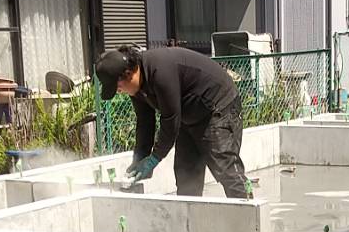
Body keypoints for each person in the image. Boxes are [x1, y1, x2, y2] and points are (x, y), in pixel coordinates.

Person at [94, 45, 250, 198]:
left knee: (225, 168)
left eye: (118, 87)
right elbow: (145, 122)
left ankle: (249, 211)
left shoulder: (160, 72)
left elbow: (170, 121)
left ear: (128, 74)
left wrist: (154, 159)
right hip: (188, 114)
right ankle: (190, 214)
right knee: (186, 174)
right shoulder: (137, 86)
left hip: (218, 106)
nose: (119, 92)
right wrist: (140, 158)